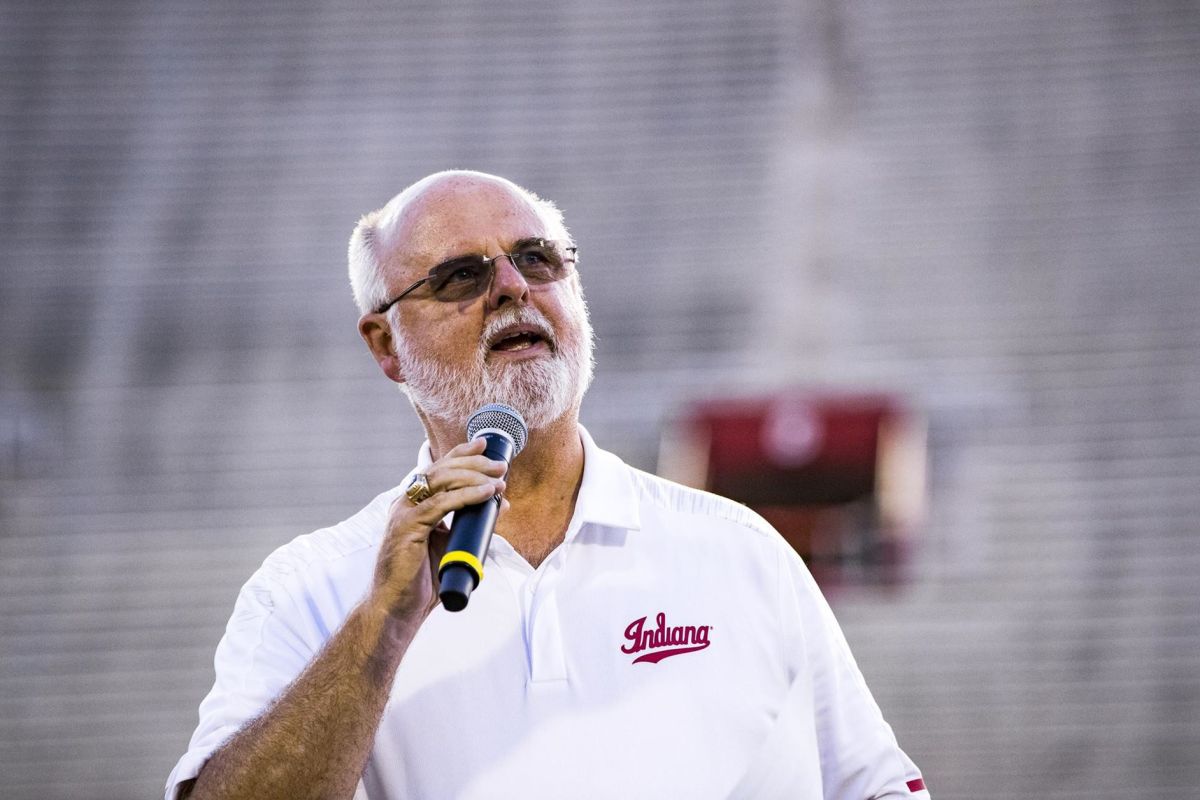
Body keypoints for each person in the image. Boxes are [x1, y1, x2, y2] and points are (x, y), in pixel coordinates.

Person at [166, 170, 929, 799]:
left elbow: (877, 785)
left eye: (537, 259)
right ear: (385, 345)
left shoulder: (741, 553)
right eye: (459, 276)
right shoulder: (308, 589)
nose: (510, 288)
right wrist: (380, 630)